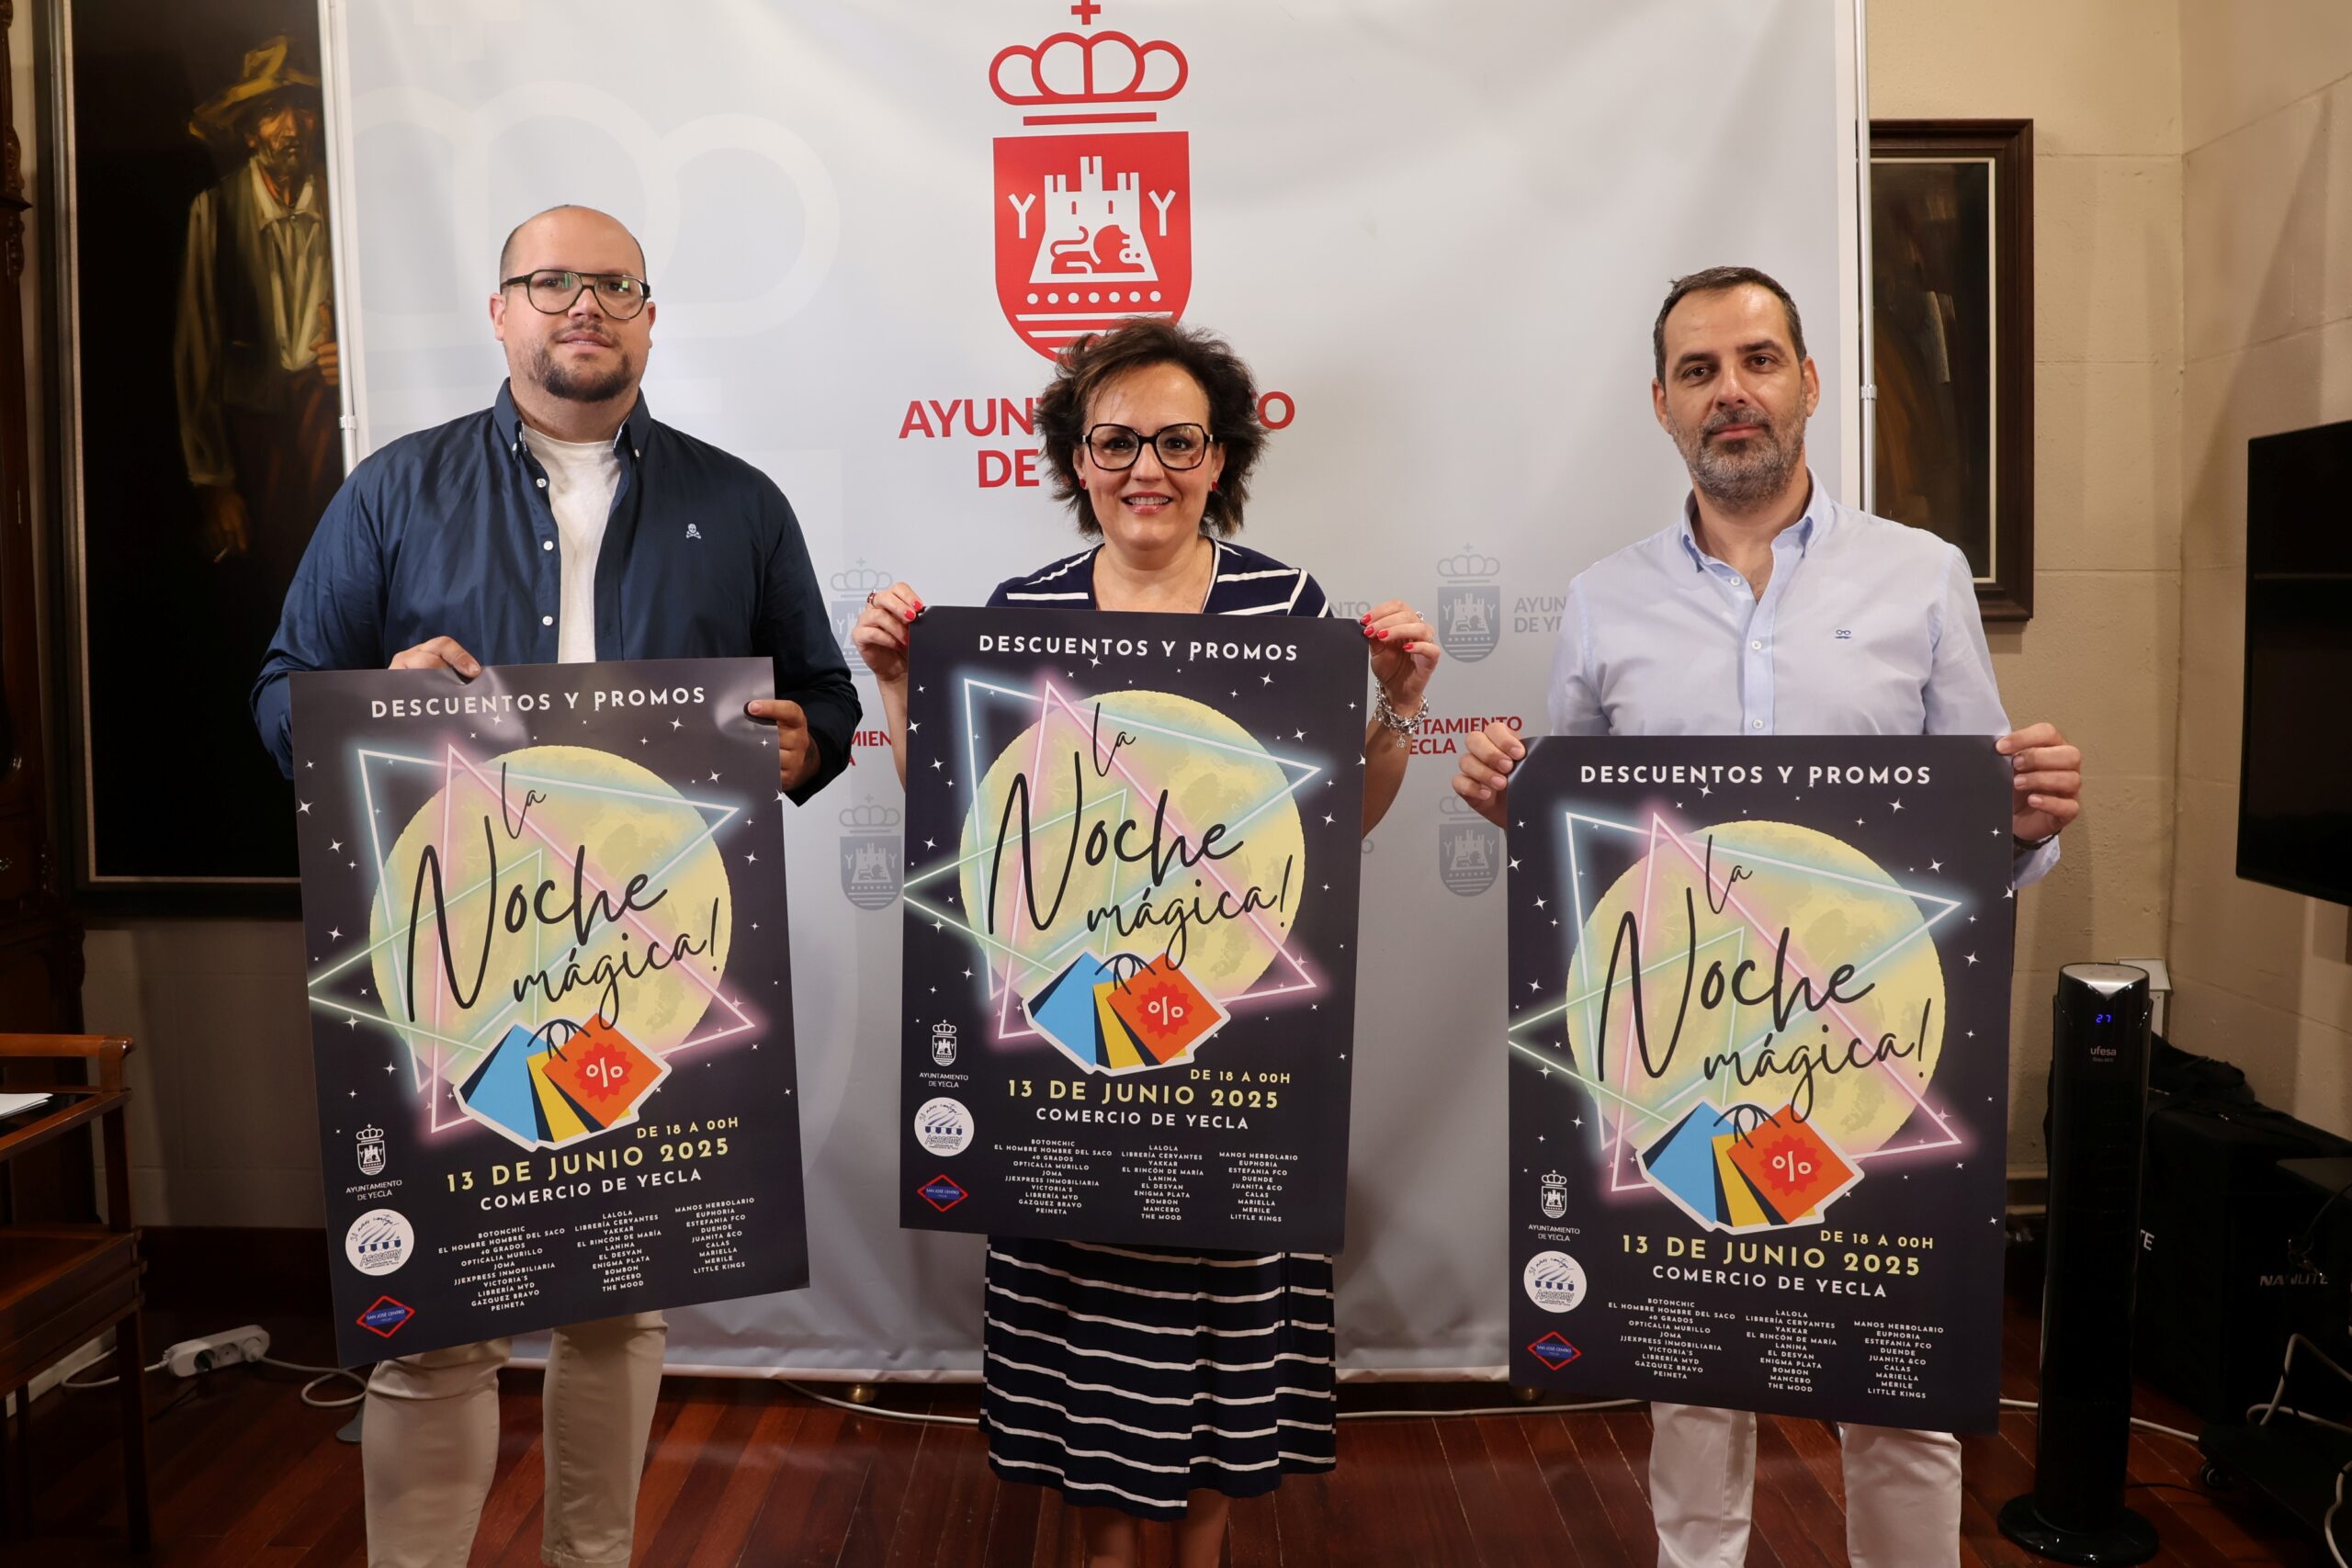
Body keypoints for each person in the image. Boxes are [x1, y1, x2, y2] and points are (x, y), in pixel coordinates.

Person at [252, 205, 859, 1568]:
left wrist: (806, 740)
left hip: (644, 953)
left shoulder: (739, 502)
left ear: (648, 317)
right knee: (436, 1318)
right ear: (501, 310)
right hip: (454, 950)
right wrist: (372, 698)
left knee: (619, 1300)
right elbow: (282, 694)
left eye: (614, 285)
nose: (583, 305)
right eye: (551, 281)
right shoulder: (393, 490)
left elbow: (820, 698)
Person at [1452, 265, 2083, 1568]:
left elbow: (1984, 837)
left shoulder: (1919, 577)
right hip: (1685, 1043)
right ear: (1662, 404)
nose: (1729, 391)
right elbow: (1588, 860)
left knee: (1897, 1379)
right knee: (1692, 1363)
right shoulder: (1604, 599)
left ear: (1807, 382)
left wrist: (2027, 822)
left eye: (1756, 360)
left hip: (1872, 1042)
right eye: (1698, 370)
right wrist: (1526, 812)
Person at [852, 318, 1437, 1568]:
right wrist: (899, 690)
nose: (1147, 469)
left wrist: (1396, 709)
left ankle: (1201, 1549)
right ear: (1077, 459)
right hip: (1066, 1052)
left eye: (1179, 441)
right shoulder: (1023, 613)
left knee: (1219, 1359)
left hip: (1227, 1048)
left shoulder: (1286, 607)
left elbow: (1340, 823)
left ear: (1220, 457)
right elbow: (964, 828)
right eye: (1115, 442)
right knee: (1082, 1360)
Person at [175, 34, 341, 587]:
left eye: (302, 110)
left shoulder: (346, 203)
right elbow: (196, 353)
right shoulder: (215, 212)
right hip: (254, 431)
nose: (291, 129)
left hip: (330, 424)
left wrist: (353, 361)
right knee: (273, 574)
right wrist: (214, 482)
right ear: (249, 132)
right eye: (272, 113)